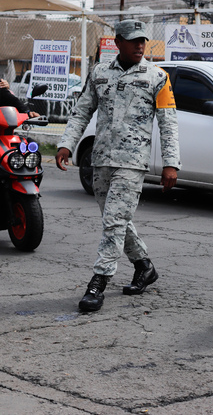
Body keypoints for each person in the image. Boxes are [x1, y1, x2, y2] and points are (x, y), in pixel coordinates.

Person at [55, 19, 180, 313]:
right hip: (101, 160)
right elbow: (82, 110)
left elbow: (169, 124)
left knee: (113, 221)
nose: (140, 46)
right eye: (133, 40)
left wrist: (171, 163)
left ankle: (98, 282)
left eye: (143, 41)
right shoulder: (99, 73)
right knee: (116, 220)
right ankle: (144, 266)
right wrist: (66, 143)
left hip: (132, 163)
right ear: (118, 42)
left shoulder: (157, 76)